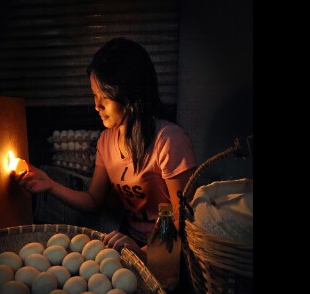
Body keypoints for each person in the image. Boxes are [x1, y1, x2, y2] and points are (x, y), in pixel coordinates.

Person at [16, 37, 196, 262]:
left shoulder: (169, 141)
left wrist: (141, 253)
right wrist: (49, 185)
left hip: (167, 251)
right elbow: (93, 200)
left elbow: (184, 222)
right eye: (94, 95)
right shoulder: (106, 141)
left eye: (105, 97)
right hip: (131, 242)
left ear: (129, 96)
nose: (96, 106)